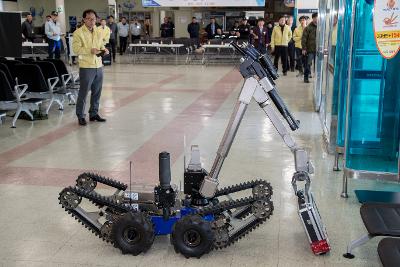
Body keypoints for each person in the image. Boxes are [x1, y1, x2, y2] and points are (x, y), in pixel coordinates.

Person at [72, 9, 109, 126]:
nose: (92, 21)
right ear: (84, 19)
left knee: (97, 92)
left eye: (93, 19)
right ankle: (80, 116)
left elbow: (101, 44)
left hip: (98, 65)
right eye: (89, 19)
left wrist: (104, 49)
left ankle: (93, 113)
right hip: (86, 66)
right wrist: (90, 50)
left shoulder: (98, 31)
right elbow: (76, 49)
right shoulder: (78, 33)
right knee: (83, 92)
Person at [302, 12, 318, 83]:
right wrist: (304, 49)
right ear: (313, 18)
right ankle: (306, 77)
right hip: (310, 50)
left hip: (318, 50)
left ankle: (318, 79)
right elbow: (304, 39)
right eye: (316, 17)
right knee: (308, 64)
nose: (317, 19)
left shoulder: (321, 27)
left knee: (318, 65)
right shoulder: (308, 28)